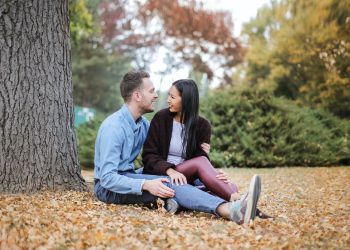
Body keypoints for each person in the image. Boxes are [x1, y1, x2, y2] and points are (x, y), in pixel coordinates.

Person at [94, 70, 261, 225]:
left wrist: (210, 170)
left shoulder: (143, 125)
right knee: (169, 183)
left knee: (171, 184)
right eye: (151, 91)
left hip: (129, 175)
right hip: (108, 188)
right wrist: (145, 184)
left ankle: (234, 200)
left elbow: (164, 146)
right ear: (137, 95)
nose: (157, 96)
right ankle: (231, 209)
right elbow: (107, 178)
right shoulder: (114, 127)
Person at [142, 79, 240, 202]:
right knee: (229, 187)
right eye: (169, 96)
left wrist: (216, 175)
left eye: (172, 97)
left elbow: (200, 158)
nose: (168, 100)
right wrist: (170, 171)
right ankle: (234, 199)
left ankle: (233, 197)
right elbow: (149, 155)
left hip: (186, 177)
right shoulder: (161, 118)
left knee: (230, 185)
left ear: (186, 100)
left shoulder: (203, 125)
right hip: (162, 174)